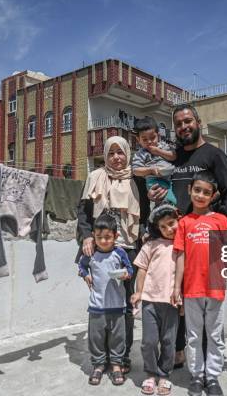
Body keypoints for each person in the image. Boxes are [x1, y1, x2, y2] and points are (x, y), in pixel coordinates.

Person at [148, 104, 227, 368]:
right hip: (177, 237)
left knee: (209, 302)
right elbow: (167, 187)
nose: (183, 127)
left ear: (198, 122)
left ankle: (211, 357)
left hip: (206, 242)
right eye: (178, 124)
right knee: (179, 298)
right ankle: (180, 350)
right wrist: (155, 194)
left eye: (188, 121)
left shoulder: (213, 154)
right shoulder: (175, 158)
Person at [76, 135, 142, 373]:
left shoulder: (137, 178)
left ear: (127, 154)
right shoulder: (95, 177)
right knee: (101, 303)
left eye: (120, 152)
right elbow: (83, 213)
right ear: (105, 155)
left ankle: (121, 357)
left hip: (129, 248)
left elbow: (143, 212)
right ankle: (101, 357)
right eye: (111, 153)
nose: (116, 157)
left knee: (125, 306)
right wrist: (86, 236)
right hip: (100, 248)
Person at [171, 171, 227, 396]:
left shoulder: (221, 221)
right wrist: (176, 287)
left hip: (216, 289)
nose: (201, 195)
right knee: (194, 336)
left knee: (214, 335)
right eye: (197, 190)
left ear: (213, 196)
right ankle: (197, 377)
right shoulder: (184, 223)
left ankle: (212, 377)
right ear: (190, 190)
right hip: (191, 290)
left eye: (206, 192)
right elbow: (180, 257)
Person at [130, 204, 181, 395]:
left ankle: (164, 375)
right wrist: (138, 292)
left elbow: (186, 273)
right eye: (163, 226)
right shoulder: (150, 245)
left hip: (172, 302)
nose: (169, 229)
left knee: (169, 341)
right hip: (150, 301)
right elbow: (142, 269)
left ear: (178, 220)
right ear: (157, 228)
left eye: (171, 223)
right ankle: (150, 374)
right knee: (149, 341)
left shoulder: (182, 245)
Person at [78, 214, 134, 386]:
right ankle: (98, 365)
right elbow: (81, 266)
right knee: (96, 338)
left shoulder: (120, 253)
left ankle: (116, 365)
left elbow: (130, 269)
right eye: (99, 237)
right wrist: (86, 275)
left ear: (116, 236)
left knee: (118, 337)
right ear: (93, 235)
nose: (103, 241)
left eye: (107, 237)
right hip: (97, 307)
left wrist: (126, 274)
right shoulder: (91, 253)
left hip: (117, 306)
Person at [132, 116, 177, 206]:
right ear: (138, 140)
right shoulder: (141, 154)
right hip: (154, 180)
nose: (149, 142)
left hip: (169, 178)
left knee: (174, 196)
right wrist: (151, 170)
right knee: (167, 198)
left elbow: (173, 156)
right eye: (144, 139)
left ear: (158, 136)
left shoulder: (164, 146)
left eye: (152, 138)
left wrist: (158, 151)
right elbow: (136, 170)